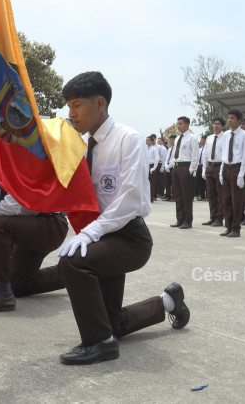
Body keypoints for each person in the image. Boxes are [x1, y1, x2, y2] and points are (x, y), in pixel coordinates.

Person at [56, 71, 189, 365]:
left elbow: (130, 198)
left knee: (72, 262)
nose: (71, 113)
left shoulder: (127, 139)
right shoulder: (82, 144)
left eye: (77, 105)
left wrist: (90, 234)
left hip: (129, 238)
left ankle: (100, 344)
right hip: (105, 237)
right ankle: (169, 301)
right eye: (69, 106)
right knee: (112, 322)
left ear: (100, 103)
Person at [0, 193, 69, 312]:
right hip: (37, 222)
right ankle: (69, 275)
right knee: (18, 286)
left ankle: (1, 294)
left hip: (49, 224)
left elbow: (15, 203)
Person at [218, 109, 245, 238]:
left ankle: (236, 228)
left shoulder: (244, 135)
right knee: (226, 200)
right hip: (226, 167)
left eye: (232, 118)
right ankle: (228, 226)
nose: (229, 120)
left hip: (237, 168)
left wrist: (241, 175)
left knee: (236, 201)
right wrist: (221, 171)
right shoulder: (226, 135)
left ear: (239, 120)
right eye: (228, 118)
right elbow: (224, 154)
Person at [168, 116, 200, 229]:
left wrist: (193, 168)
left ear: (187, 125)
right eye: (178, 124)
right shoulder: (177, 139)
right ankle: (180, 219)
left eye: (181, 123)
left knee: (187, 195)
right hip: (176, 167)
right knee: (178, 195)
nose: (179, 126)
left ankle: (188, 220)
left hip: (186, 167)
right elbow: (175, 154)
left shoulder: (192, 138)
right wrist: (171, 165)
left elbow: (195, 154)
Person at [201, 118, 225, 227]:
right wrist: (204, 169)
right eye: (214, 124)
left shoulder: (225, 137)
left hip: (220, 166)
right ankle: (212, 216)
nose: (216, 126)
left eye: (218, 124)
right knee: (211, 194)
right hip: (210, 166)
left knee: (220, 194)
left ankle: (219, 218)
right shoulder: (209, 138)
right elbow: (205, 155)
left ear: (223, 126)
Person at [146, 135, 160, 203]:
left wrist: (154, 168)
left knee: (152, 183)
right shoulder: (145, 148)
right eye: (146, 140)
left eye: (148, 140)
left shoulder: (154, 149)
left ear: (152, 141)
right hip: (146, 166)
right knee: (146, 182)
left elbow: (157, 159)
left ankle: (151, 197)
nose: (147, 141)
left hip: (152, 166)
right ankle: (146, 197)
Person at [163, 134, 177, 201]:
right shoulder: (169, 149)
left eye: (172, 140)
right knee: (167, 182)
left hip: (173, 166)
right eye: (170, 140)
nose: (171, 141)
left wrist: (168, 166)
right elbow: (166, 158)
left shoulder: (177, 148)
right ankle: (168, 196)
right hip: (167, 166)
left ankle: (174, 196)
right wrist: (166, 166)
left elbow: (175, 159)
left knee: (173, 182)